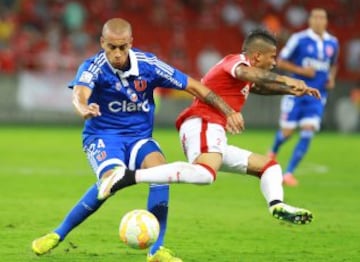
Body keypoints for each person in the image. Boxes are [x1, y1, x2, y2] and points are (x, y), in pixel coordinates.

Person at [31, 18, 244, 262]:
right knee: (110, 182)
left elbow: (196, 87)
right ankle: (57, 234)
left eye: (123, 47)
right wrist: (84, 108)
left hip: (139, 138)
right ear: (102, 43)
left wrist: (228, 111)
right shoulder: (93, 67)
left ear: (131, 43)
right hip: (103, 137)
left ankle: (156, 251)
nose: (118, 54)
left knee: (161, 173)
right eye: (112, 47)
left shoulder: (149, 65)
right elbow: (79, 94)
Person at [97, 29, 320, 229]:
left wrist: (288, 90)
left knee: (269, 167)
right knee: (205, 175)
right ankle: (128, 176)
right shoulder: (236, 62)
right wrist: (286, 79)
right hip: (202, 123)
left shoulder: (243, 76)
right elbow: (248, 75)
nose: (274, 62)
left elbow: (257, 86)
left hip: (213, 130)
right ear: (257, 56)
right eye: (272, 57)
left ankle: (276, 205)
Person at [268, 8, 339, 186]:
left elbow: (334, 64)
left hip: (317, 95)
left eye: (321, 17)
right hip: (296, 92)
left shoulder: (333, 42)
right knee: (287, 133)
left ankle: (289, 173)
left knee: (308, 130)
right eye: (315, 17)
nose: (318, 20)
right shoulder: (298, 39)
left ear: (326, 21)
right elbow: (281, 61)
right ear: (309, 20)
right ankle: (273, 150)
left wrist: (331, 78)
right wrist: (301, 71)